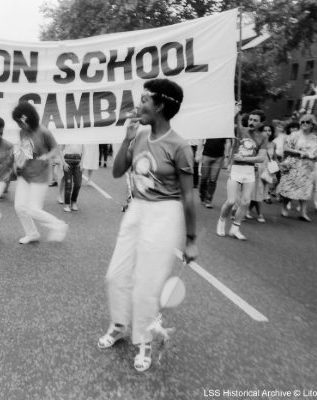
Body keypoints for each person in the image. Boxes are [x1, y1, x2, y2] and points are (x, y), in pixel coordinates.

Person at [98, 78, 197, 373]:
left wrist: (191, 239)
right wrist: (127, 139)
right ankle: (119, 324)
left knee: (147, 285)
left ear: (161, 106)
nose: (138, 105)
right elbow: (117, 172)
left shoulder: (180, 147)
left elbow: (189, 197)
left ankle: (144, 340)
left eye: (144, 100)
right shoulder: (139, 135)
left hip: (165, 214)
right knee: (115, 276)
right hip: (137, 210)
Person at [12, 102, 68, 244]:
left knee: (33, 209)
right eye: (18, 123)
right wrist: (17, 163)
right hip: (25, 174)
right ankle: (32, 234)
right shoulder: (22, 132)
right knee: (19, 207)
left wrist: (47, 157)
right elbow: (26, 151)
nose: (19, 125)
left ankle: (59, 226)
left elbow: (56, 149)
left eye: (20, 122)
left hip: (40, 175)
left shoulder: (44, 132)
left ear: (28, 119)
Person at [216, 108, 268, 240]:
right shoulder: (241, 130)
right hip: (236, 169)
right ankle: (221, 222)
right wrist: (236, 111)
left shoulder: (263, 137)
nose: (251, 122)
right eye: (250, 119)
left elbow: (261, 157)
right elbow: (232, 122)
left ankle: (235, 229)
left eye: (255, 120)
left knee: (245, 202)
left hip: (250, 172)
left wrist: (245, 159)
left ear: (261, 123)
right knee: (231, 201)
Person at [276, 114, 317, 221]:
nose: (304, 124)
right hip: (294, 164)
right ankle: (284, 207)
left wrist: (314, 155)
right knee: (289, 187)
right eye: (303, 122)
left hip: (308, 166)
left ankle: (303, 212)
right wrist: (300, 152)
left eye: (307, 122)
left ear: (312, 124)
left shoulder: (314, 137)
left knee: (306, 189)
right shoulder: (294, 135)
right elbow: (286, 148)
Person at [247, 124, 275, 223]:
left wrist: (274, 172)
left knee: (260, 192)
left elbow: (273, 158)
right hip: (257, 168)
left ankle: (248, 210)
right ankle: (259, 214)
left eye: (269, 130)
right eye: (265, 130)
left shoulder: (273, 144)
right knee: (257, 191)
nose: (267, 132)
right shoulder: (257, 141)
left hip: (267, 171)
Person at [197, 137, 229, 208]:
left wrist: (226, 158)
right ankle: (202, 195)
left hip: (219, 157)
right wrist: (198, 153)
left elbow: (227, 142)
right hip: (206, 155)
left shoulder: (224, 128)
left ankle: (208, 200)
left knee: (213, 180)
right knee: (204, 178)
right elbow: (201, 140)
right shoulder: (209, 126)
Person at [61, 143, 83, 212]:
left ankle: (74, 202)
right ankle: (67, 204)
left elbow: (84, 150)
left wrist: (82, 162)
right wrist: (64, 163)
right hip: (67, 161)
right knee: (68, 184)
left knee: (78, 184)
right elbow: (60, 150)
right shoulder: (66, 135)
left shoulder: (82, 135)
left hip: (78, 162)